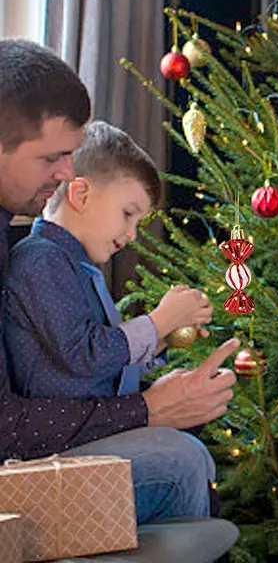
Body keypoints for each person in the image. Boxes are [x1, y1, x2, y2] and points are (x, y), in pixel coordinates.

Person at [0, 38, 240, 523]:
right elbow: (78, 359)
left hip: (52, 436)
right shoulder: (41, 259)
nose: (66, 172)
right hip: (33, 457)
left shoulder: (65, 262)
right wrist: (155, 340)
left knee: (188, 454)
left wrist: (161, 360)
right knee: (180, 462)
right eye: (51, 158)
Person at [5, 120, 213, 400]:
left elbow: (107, 364)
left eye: (138, 223)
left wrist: (165, 335)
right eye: (128, 214)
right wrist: (158, 321)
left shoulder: (77, 266)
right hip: (66, 426)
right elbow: (84, 356)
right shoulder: (41, 259)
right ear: (81, 195)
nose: (132, 235)